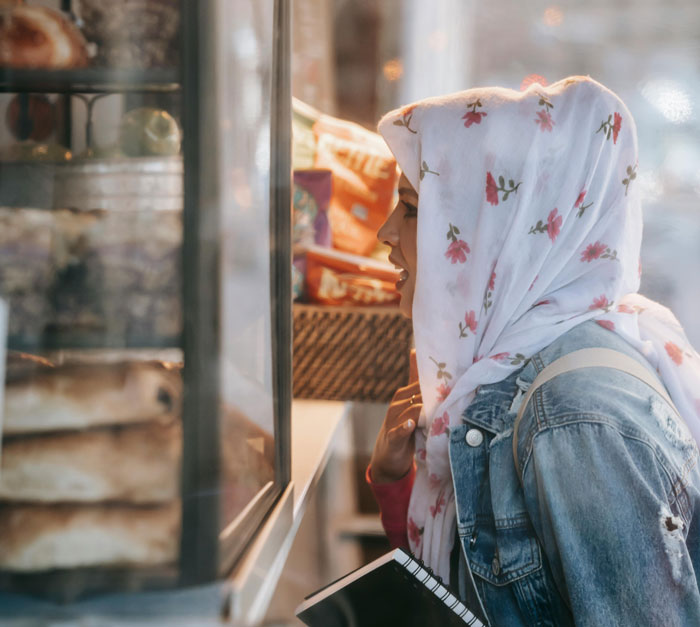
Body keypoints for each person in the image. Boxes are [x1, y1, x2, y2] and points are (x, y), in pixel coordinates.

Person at [366, 76, 700, 626]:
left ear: (499, 228)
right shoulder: (510, 369)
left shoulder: (572, 420)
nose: (384, 233)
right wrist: (395, 483)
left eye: (410, 208)